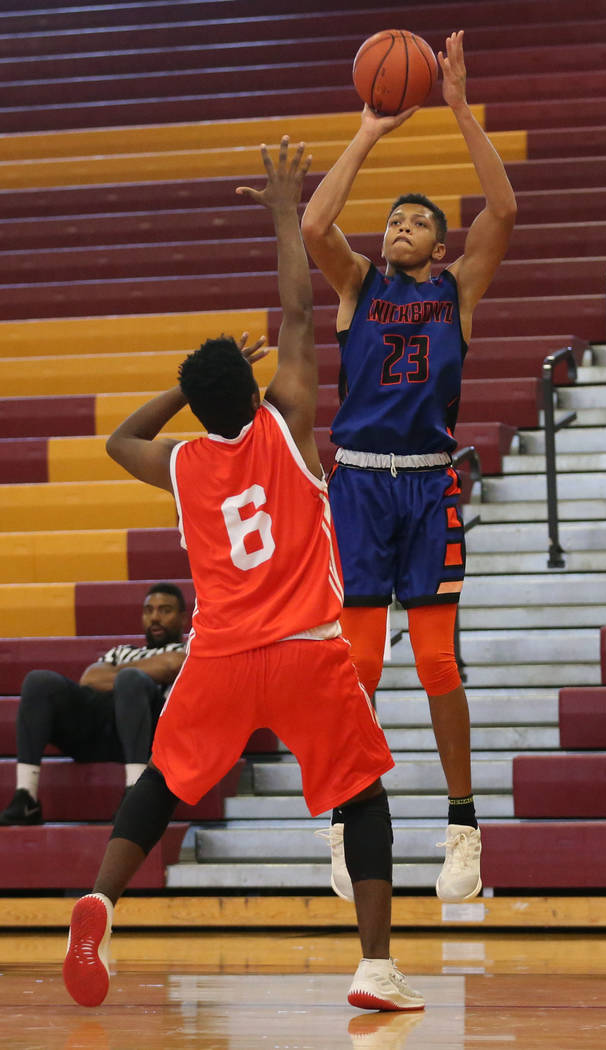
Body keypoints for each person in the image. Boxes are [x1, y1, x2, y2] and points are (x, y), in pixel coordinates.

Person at [62, 138, 424, 1014]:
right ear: (252, 389)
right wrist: (281, 220)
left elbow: (116, 442)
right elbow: (299, 314)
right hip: (304, 648)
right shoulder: (290, 424)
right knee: (364, 797)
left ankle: (101, 899)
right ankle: (374, 968)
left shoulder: (183, 465)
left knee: (162, 783)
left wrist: (190, 389)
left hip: (219, 658)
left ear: (201, 404)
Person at [301, 31, 517, 903]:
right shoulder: (356, 285)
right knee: (355, 668)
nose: (399, 226)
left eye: (417, 220)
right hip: (356, 482)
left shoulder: (453, 292)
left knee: (436, 667)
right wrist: (368, 130)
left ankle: (463, 828)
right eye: (394, 217)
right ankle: (348, 819)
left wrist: (460, 109)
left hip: (428, 482)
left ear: (437, 245)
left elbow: (502, 212)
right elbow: (315, 223)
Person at [0, 583, 187, 826]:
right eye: (148, 610)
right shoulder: (122, 651)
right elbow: (89, 678)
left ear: (183, 617)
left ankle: (135, 796)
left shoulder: (189, 650)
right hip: (99, 732)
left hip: (149, 737)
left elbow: (173, 665)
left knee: (130, 681)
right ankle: (26, 797)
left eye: (165, 610)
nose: (154, 617)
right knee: (39, 681)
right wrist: (150, 670)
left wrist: (121, 676)